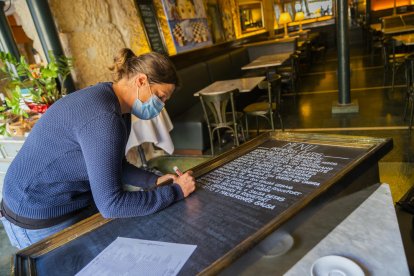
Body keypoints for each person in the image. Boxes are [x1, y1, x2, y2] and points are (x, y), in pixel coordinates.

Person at [0, 48, 196, 249]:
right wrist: (176, 192)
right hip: (36, 212)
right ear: (141, 81)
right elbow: (112, 205)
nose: (162, 105)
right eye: (160, 97)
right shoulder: (104, 118)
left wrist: (153, 180)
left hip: (65, 200)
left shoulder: (118, 105)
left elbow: (115, 165)